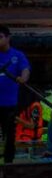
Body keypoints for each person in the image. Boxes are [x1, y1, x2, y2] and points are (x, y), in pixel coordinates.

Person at [0, 25, 31, 163]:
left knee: (9, 135)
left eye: (0, 37)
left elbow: (25, 69)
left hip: (9, 103)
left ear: (8, 38)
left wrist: (23, 78)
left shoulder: (17, 55)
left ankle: (8, 163)